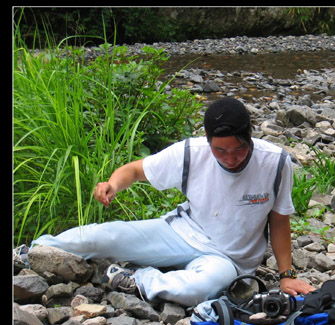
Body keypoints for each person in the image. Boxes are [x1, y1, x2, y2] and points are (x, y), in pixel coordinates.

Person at [23, 97, 315, 306]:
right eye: (220, 151)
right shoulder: (191, 152)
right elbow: (134, 171)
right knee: (103, 234)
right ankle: (32, 253)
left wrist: (286, 275)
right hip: (180, 233)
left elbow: (279, 220)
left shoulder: (275, 163)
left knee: (203, 288)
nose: (229, 158)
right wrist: (112, 184)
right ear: (208, 140)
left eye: (238, 149)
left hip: (230, 260)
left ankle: (134, 279)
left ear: (249, 138)